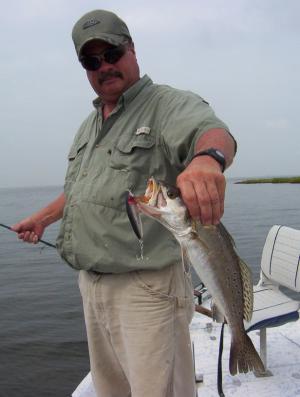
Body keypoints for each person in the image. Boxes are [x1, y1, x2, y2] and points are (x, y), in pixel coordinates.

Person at [12, 9, 236, 397]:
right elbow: (84, 188)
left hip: (146, 289)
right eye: (91, 60)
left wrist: (206, 161)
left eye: (112, 53)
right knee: (111, 389)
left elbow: (212, 133)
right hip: (91, 286)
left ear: (131, 49)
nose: (104, 66)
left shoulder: (167, 104)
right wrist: (43, 218)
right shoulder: (91, 124)